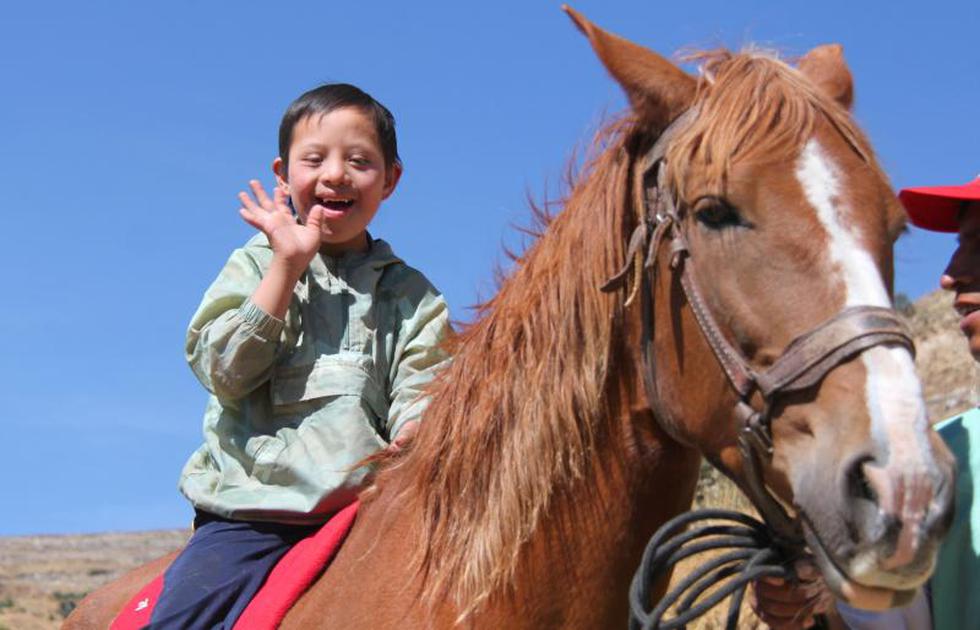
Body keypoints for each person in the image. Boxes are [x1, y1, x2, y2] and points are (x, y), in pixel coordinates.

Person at [146, 83, 452, 628]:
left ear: (391, 180)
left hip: (368, 513)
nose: (336, 174)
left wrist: (415, 443)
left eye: (359, 160)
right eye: (315, 159)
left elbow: (424, 388)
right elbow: (222, 371)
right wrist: (286, 268)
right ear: (284, 174)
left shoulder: (412, 297)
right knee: (181, 618)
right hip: (253, 514)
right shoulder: (255, 264)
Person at [753, 175, 980, 630]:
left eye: (978, 243)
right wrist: (821, 606)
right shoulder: (946, 463)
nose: (949, 273)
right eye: (959, 245)